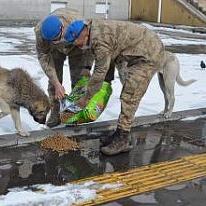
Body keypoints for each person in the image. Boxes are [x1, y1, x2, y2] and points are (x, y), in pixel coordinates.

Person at [64, 19, 165, 155]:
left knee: (130, 95)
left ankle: (123, 139)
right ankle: (118, 134)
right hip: (137, 47)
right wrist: (89, 68)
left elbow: (100, 70)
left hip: (149, 54)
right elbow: (97, 53)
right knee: (127, 91)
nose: (76, 46)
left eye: (76, 42)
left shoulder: (100, 41)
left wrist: (86, 99)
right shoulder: (92, 30)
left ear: (83, 34)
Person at [34, 8, 93, 128]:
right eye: (52, 40)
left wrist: (87, 66)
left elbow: (90, 46)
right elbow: (44, 57)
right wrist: (56, 83)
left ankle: (76, 112)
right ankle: (55, 113)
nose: (56, 41)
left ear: (62, 28)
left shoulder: (79, 24)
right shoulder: (40, 32)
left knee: (79, 80)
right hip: (55, 52)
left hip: (77, 47)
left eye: (57, 38)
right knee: (53, 84)